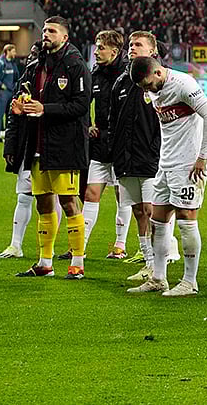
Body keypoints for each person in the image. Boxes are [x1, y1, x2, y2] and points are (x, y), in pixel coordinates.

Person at [6, 16, 92, 280]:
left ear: (64, 37)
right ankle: (45, 262)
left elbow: (81, 105)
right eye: (44, 30)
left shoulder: (76, 65)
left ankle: (77, 262)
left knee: (68, 202)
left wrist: (46, 109)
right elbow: (24, 94)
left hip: (64, 145)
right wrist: (20, 106)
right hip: (37, 145)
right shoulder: (35, 64)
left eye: (52, 31)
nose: (46, 34)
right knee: (43, 203)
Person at [127, 56, 207, 297]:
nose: (147, 91)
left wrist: (202, 156)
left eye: (148, 85)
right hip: (166, 163)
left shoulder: (183, 84)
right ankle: (158, 277)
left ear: (158, 73)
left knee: (186, 219)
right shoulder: (153, 89)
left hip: (189, 165)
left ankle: (190, 281)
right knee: (157, 220)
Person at [110, 31, 168, 281]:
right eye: (131, 44)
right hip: (126, 158)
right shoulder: (121, 82)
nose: (131, 48)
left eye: (138, 45)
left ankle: (158, 264)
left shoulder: (161, 81)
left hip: (152, 157)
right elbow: (114, 121)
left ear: (152, 51)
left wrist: (159, 150)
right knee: (137, 210)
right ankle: (147, 261)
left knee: (151, 210)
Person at [81, 30, 131, 259]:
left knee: (123, 195)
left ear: (115, 50)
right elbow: (83, 103)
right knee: (91, 193)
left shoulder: (129, 73)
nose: (96, 51)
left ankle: (120, 244)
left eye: (101, 47)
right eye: (96, 46)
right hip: (100, 142)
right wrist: (88, 124)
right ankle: (79, 244)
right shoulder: (96, 73)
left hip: (122, 143)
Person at [0, 44, 42, 259]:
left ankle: (57, 251)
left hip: (53, 147)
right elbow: (13, 114)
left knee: (56, 199)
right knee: (24, 196)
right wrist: (10, 145)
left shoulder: (59, 77)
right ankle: (16, 245)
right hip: (28, 147)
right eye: (30, 53)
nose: (29, 57)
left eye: (34, 53)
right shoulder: (25, 78)